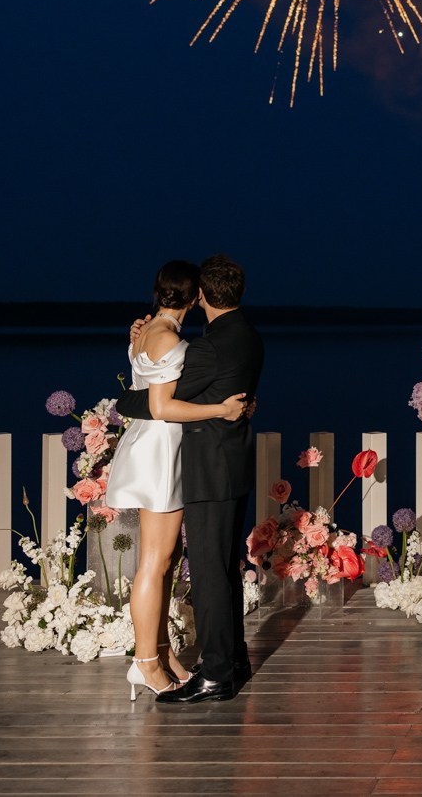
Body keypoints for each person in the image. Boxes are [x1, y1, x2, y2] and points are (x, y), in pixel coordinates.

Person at [116, 252, 264, 705]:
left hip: (204, 469)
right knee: (215, 568)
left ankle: (217, 670)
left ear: (203, 295)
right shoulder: (248, 336)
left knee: (207, 571)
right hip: (226, 465)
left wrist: (124, 402)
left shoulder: (202, 347)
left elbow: (155, 402)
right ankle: (212, 659)